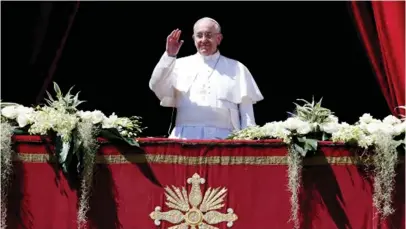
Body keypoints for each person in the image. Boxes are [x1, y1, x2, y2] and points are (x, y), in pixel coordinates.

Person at [149, 17, 264, 140]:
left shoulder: (237, 67)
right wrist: (169, 55)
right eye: (199, 35)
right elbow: (156, 85)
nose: (204, 40)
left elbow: (246, 112)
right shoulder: (178, 65)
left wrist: (249, 139)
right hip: (185, 138)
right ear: (194, 39)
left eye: (209, 35)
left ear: (218, 39)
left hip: (226, 139)